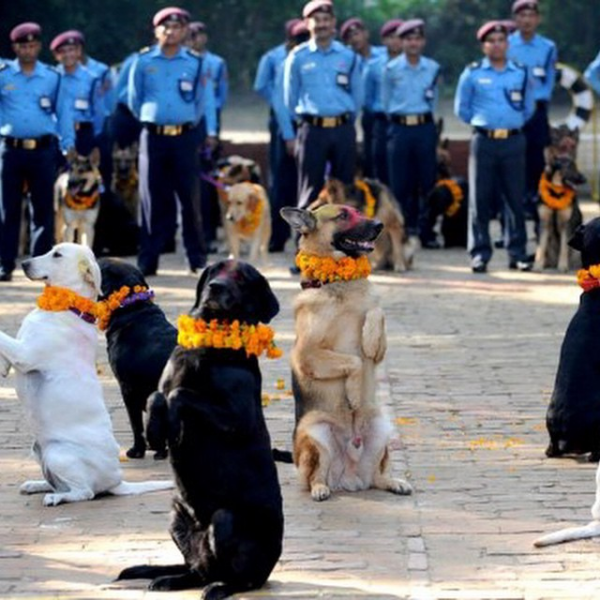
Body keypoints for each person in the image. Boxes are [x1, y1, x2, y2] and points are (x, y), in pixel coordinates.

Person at [128, 7, 215, 276]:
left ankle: (196, 258)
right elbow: (134, 99)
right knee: (151, 200)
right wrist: (153, 118)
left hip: (184, 138)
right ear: (156, 31)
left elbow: (202, 101)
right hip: (152, 137)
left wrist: (189, 123)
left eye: (177, 27)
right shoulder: (142, 61)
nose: (171, 31)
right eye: (165, 27)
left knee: (190, 199)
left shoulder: (195, 61)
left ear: (185, 31)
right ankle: (148, 259)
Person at [455, 21, 535, 273]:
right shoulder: (473, 72)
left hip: (513, 140)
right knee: (480, 199)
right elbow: (462, 109)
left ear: (507, 44)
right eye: (491, 41)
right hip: (484, 140)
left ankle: (518, 253)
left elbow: (529, 106)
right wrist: (484, 126)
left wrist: (513, 125)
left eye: (501, 40)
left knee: (515, 198)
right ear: (483, 45)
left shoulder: (520, 72)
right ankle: (479, 253)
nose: (497, 44)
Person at [0, 23, 73, 282]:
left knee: (43, 210)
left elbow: (63, 112)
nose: (28, 50)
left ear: (39, 47)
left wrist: (68, 145)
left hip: (43, 150)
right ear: (15, 47)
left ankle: (41, 265)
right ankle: (4, 263)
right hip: (10, 149)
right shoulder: (4, 73)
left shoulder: (52, 76)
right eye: (23, 46)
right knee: (8, 209)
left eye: (32, 45)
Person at [284, 0, 363, 210]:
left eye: (326, 20)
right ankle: (305, 239)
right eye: (316, 20)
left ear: (334, 22)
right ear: (307, 23)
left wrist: (345, 120)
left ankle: (343, 240)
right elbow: (290, 98)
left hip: (343, 129)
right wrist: (304, 122)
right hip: (312, 130)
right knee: (310, 188)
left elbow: (358, 96)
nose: (322, 24)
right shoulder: (298, 57)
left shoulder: (349, 56)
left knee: (344, 188)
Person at [382, 19, 440, 248]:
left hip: (425, 127)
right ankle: (402, 231)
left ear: (423, 41)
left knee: (427, 182)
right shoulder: (391, 69)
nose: (413, 43)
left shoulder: (433, 68)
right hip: (400, 128)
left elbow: (433, 100)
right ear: (401, 41)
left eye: (417, 38)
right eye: (408, 39)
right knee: (400, 183)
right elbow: (386, 103)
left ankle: (427, 232)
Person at [254, 18, 303, 251]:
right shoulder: (274, 58)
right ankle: (278, 236)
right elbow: (262, 86)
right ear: (288, 38)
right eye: (298, 37)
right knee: (281, 180)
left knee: (306, 180)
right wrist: (279, 102)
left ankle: (303, 234)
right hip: (281, 121)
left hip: (307, 121)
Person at [508, 0, 557, 218]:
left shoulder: (548, 47)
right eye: (522, 15)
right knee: (512, 160)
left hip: (537, 110)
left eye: (531, 15)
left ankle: (535, 206)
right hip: (512, 110)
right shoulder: (506, 44)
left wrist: (539, 100)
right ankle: (513, 210)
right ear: (515, 19)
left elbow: (549, 80)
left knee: (537, 159)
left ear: (538, 19)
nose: (526, 20)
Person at [340, 17, 386, 178]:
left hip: (386, 113)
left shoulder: (383, 54)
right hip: (367, 114)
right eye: (349, 37)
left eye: (357, 33)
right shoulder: (346, 60)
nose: (355, 39)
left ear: (366, 34)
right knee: (371, 156)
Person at [362, 19, 403, 185]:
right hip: (381, 122)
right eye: (390, 37)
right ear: (384, 40)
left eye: (399, 37)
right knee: (381, 166)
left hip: (405, 123)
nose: (395, 41)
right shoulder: (374, 66)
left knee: (404, 168)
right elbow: (367, 97)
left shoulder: (413, 65)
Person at [50, 30, 103, 157]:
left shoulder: (92, 79)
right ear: (56, 55)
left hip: (83, 133)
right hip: (56, 134)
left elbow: (98, 111)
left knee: (81, 175)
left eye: (71, 50)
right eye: (63, 51)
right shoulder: (51, 78)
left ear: (79, 52)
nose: (68, 55)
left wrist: (97, 138)